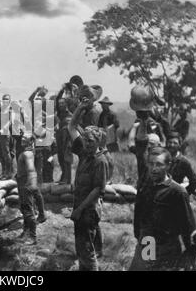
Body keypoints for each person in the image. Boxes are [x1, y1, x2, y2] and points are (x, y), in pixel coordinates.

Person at [129, 146, 196, 271]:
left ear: (168, 166)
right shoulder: (145, 187)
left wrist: (190, 253)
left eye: (159, 164)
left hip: (167, 248)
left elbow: (188, 226)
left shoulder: (177, 192)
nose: (154, 169)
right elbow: (138, 214)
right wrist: (139, 235)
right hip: (148, 242)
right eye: (151, 164)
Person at [68, 99, 108, 271]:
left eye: (90, 141)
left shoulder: (100, 161)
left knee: (86, 251)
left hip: (88, 211)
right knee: (83, 249)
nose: (87, 143)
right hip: (81, 207)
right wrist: (81, 107)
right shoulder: (84, 152)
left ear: (98, 141)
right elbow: (71, 126)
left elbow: (97, 190)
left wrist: (79, 209)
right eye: (85, 140)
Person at [16, 133, 41, 245]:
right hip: (22, 182)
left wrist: (29, 185)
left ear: (30, 141)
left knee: (28, 210)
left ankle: (33, 236)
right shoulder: (28, 152)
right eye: (22, 137)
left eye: (24, 138)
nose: (22, 139)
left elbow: (30, 170)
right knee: (24, 208)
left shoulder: (27, 154)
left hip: (26, 184)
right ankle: (25, 231)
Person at [0, 79, 14, 180]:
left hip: (5, 133)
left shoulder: (10, 110)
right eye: (4, 99)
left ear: (9, 101)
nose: (5, 101)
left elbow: (10, 121)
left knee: (6, 153)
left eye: (7, 99)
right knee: (0, 154)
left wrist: (3, 129)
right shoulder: (0, 107)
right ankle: (4, 171)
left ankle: (9, 172)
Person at [166, 132, 196, 196]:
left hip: (173, 195)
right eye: (169, 142)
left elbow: (195, 181)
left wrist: (183, 193)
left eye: (175, 143)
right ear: (166, 143)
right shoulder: (162, 157)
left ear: (179, 145)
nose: (172, 145)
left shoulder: (184, 162)